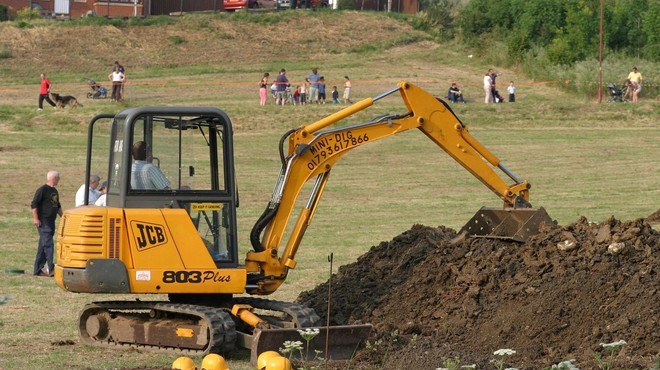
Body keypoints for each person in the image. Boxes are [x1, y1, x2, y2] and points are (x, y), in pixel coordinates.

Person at [31, 170, 63, 277]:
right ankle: (52, 269)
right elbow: (34, 205)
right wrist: (36, 219)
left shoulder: (54, 191)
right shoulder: (42, 190)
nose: (59, 180)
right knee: (49, 245)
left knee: (43, 245)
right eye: (58, 178)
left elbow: (57, 206)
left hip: (51, 221)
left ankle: (38, 270)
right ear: (54, 178)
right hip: (43, 221)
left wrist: (63, 217)